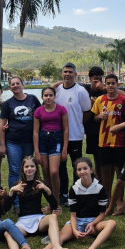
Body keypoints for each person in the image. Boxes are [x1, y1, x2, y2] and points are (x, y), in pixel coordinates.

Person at [4, 156, 68, 249]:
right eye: (27, 166)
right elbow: (6, 209)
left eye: (32, 166)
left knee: (53, 217)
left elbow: (54, 206)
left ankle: (56, 246)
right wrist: (11, 191)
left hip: (38, 220)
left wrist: (48, 190)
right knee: (8, 232)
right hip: (23, 221)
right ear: (23, 169)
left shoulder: (41, 183)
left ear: (36, 168)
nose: (29, 169)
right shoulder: (17, 185)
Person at [57, 157, 117, 249]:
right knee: (60, 237)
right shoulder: (74, 189)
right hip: (77, 222)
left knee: (112, 223)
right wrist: (75, 230)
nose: (82, 171)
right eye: (79, 169)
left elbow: (102, 214)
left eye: (85, 168)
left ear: (91, 170)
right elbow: (73, 215)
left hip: (94, 224)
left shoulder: (100, 188)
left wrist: (92, 224)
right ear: (76, 172)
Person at [54, 62, 93, 206]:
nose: (67, 74)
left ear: (75, 74)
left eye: (70, 72)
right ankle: (63, 194)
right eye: (65, 71)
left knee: (77, 166)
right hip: (58, 135)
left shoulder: (81, 91)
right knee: (60, 166)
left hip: (75, 135)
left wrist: (77, 123)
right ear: (62, 73)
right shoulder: (57, 90)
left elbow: (87, 112)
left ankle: (77, 193)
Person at [0, 76, 41, 211]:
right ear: (10, 88)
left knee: (28, 170)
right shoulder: (7, 104)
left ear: (23, 85)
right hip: (13, 142)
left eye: (18, 83)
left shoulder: (33, 99)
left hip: (29, 141)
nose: (16, 86)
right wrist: (2, 145)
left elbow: (41, 115)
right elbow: (2, 125)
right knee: (14, 171)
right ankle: (16, 202)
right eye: (13, 84)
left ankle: (27, 198)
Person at [91, 74, 125, 211]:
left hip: (119, 140)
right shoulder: (100, 100)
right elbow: (95, 118)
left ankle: (119, 200)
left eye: (113, 83)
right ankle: (107, 198)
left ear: (117, 84)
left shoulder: (123, 100)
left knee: (119, 170)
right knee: (105, 170)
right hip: (104, 140)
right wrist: (99, 116)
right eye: (108, 83)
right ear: (105, 85)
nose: (111, 86)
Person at [33, 86, 68, 211]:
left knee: (54, 172)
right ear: (42, 97)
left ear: (54, 96)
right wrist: (37, 151)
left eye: (51, 95)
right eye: (46, 95)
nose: (48, 98)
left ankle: (56, 203)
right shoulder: (38, 111)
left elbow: (66, 129)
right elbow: (35, 131)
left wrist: (64, 149)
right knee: (45, 171)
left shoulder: (61, 109)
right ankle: (50, 202)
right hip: (42, 141)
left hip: (56, 141)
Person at [81, 66, 106, 178]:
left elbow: (122, 94)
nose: (98, 82)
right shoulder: (85, 89)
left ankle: (103, 182)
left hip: (105, 128)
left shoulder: (105, 90)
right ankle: (99, 181)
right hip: (91, 129)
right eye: (95, 79)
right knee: (97, 158)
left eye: (100, 79)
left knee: (104, 159)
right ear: (90, 79)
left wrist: (104, 88)